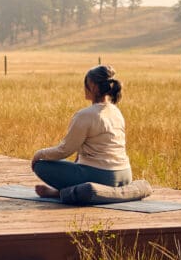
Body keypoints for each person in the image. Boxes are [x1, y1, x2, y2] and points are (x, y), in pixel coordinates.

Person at [31, 64, 132, 197]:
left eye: (85, 83)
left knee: (41, 165)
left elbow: (64, 150)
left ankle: (60, 193)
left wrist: (39, 154)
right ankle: (67, 192)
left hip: (103, 177)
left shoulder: (85, 115)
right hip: (125, 175)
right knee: (77, 166)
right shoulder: (116, 111)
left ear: (94, 87)